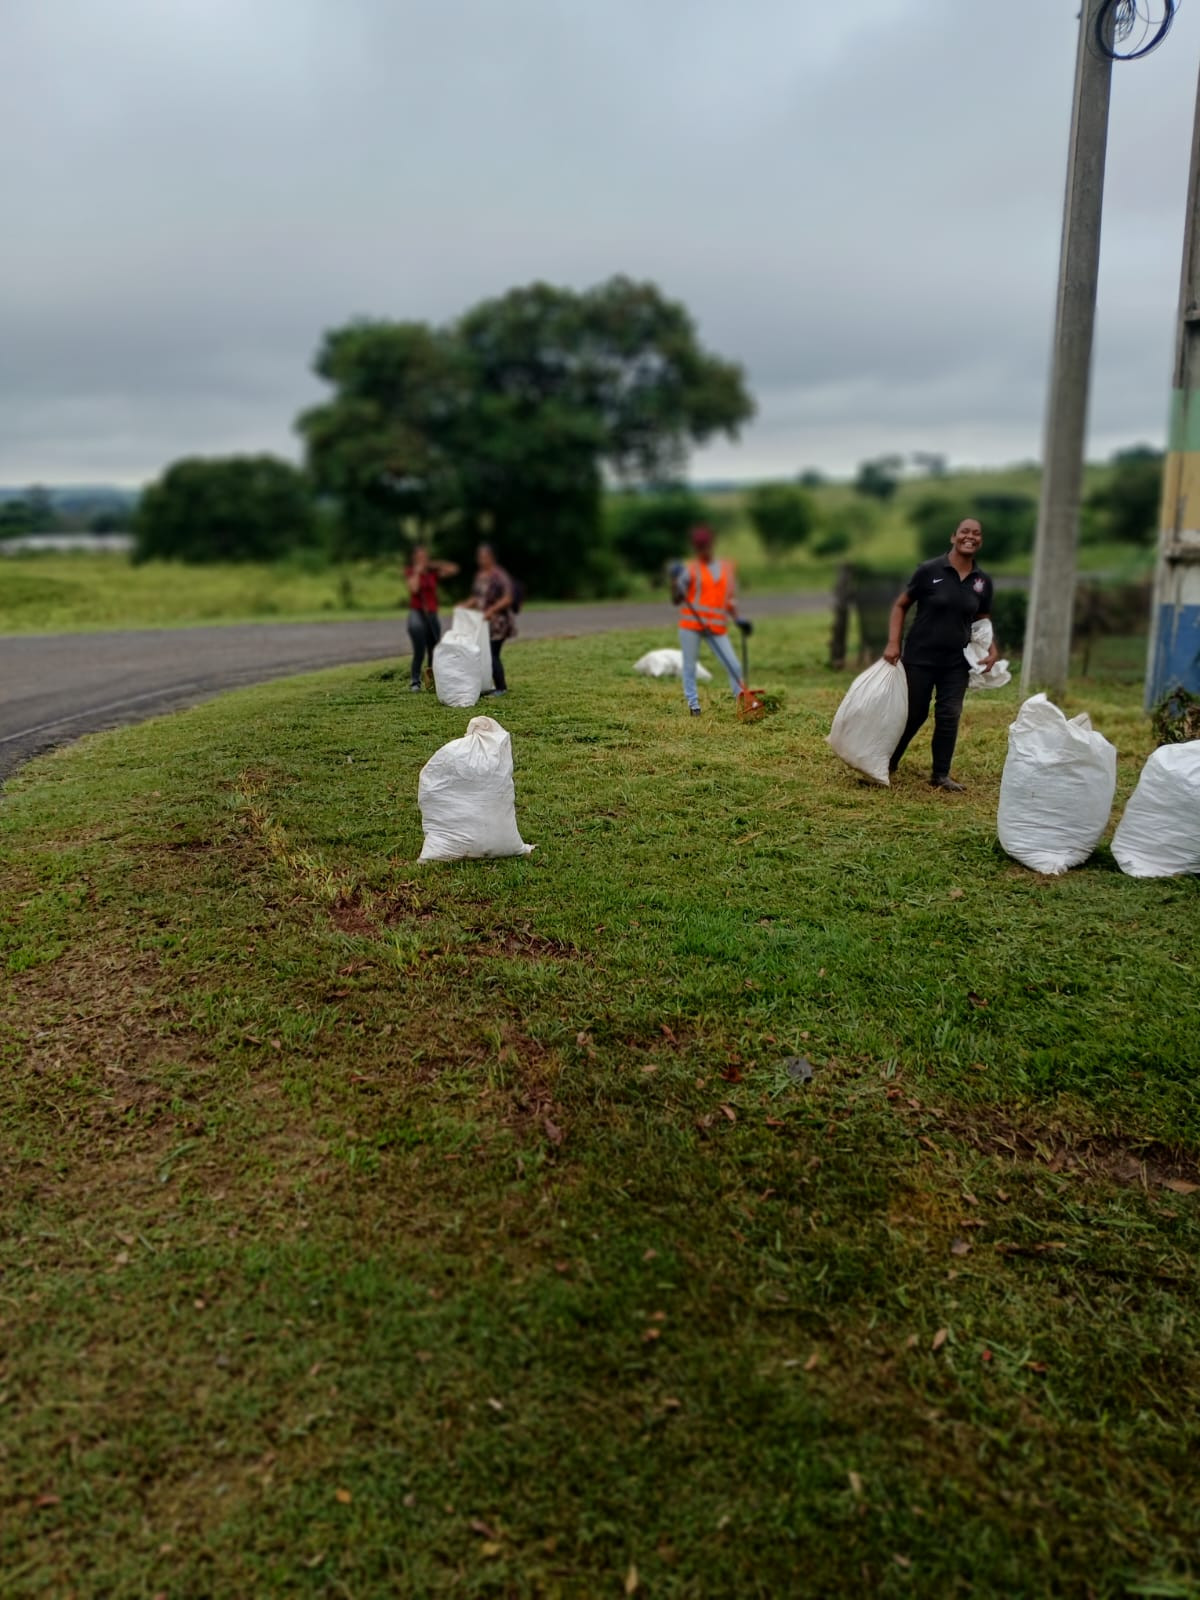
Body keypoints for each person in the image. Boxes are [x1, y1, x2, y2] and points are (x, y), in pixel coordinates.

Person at [884, 517, 998, 791]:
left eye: (977, 534)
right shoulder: (929, 570)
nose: (970, 537)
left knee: (949, 715)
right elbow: (901, 605)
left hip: (957, 661)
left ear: (980, 540)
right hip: (920, 657)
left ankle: (940, 775)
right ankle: (887, 762)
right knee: (914, 713)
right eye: (965, 532)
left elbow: (981, 619)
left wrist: (992, 649)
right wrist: (893, 643)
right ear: (953, 537)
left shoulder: (982, 581)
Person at [672, 525, 748, 716]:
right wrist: (675, 582)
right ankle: (694, 706)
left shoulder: (726, 568)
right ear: (695, 548)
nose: (702, 550)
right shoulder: (690, 570)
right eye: (699, 547)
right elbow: (676, 599)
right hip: (692, 625)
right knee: (689, 666)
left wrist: (738, 619)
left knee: (734, 664)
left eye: (705, 546)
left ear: (711, 545)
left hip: (716, 626)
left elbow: (729, 599)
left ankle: (742, 702)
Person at [405, 546, 458, 691]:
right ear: (414, 559)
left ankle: (433, 678)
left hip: (432, 613)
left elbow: (453, 569)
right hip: (418, 612)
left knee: (434, 648)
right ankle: (415, 681)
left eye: (425, 557)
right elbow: (414, 589)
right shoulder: (411, 572)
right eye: (420, 557)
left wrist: (433, 565)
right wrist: (417, 572)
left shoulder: (432, 573)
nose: (423, 559)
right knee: (419, 649)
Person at [466, 543, 516, 695]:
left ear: (492, 557)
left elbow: (507, 598)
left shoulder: (499, 575)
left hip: (498, 623)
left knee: (492, 654)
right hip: (484, 623)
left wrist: (492, 610)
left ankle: (501, 687)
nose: (482, 560)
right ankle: (490, 684)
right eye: (480, 557)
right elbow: (477, 597)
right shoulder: (480, 576)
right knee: (485, 654)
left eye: (485, 557)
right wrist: (465, 605)